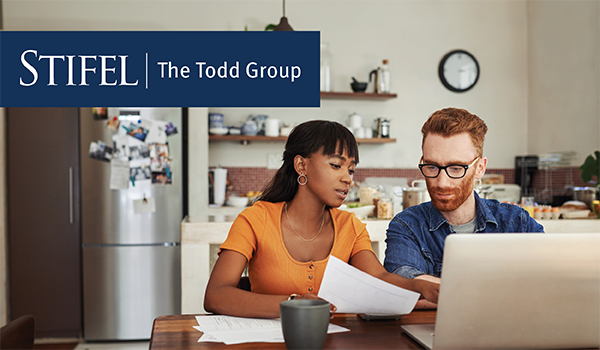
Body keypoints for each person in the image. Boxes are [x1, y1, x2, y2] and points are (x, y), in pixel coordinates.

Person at [204, 120, 439, 318]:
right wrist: (292, 303)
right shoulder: (256, 219)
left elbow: (378, 278)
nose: (347, 178)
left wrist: (419, 286)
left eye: (351, 169)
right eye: (336, 165)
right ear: (301, 165)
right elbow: (215, 295)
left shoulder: (351, 226)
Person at [384, 108, 544, 288]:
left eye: (456, 168)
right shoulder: (407, 226)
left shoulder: (516, 222)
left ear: (480, 168)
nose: (442, 182)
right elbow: (402, 285)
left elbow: (546, 280)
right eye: (431, 167)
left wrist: (434, 286)